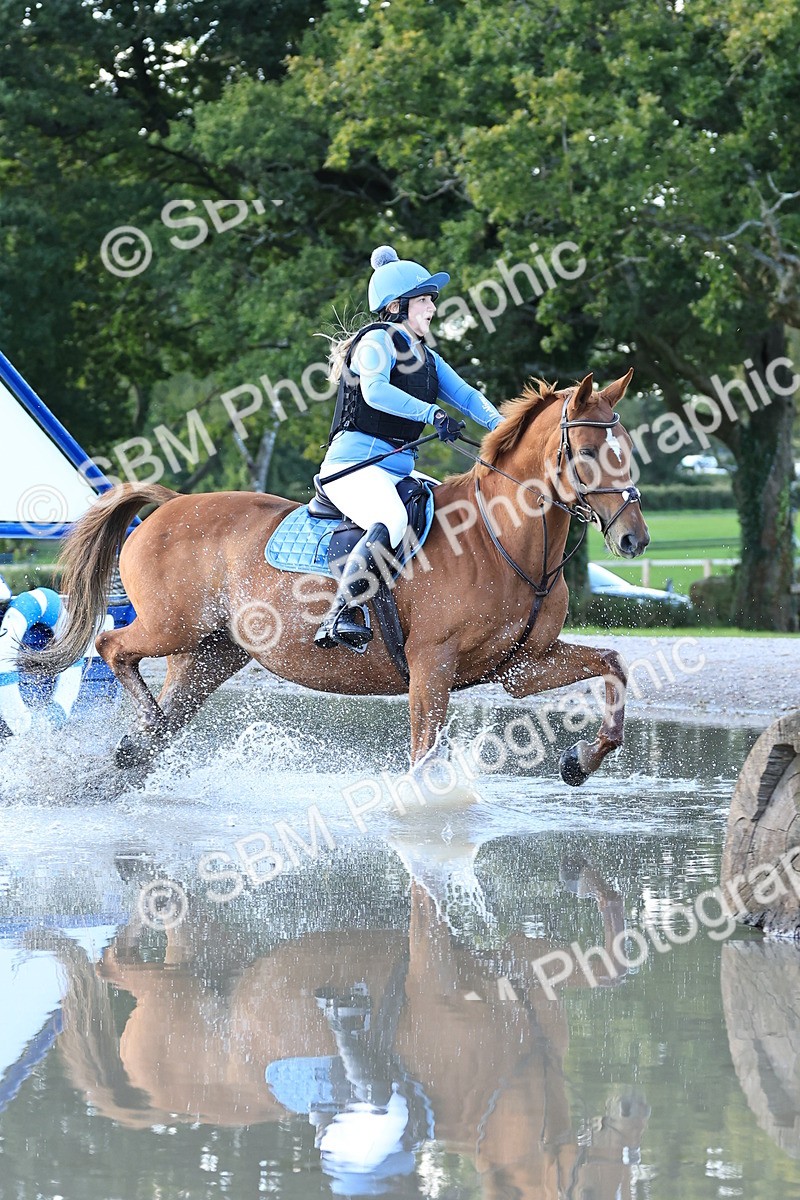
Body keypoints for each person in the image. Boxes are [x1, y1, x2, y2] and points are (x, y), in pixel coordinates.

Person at [315, 245, 504, 650]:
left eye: (432, 301)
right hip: (353, 466)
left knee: (455, 511)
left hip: (396, 468)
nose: (432, 309)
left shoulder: (429, 358)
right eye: (424, 301)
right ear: (398, 306)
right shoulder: (376, 341)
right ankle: (341, 612)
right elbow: (376, 391)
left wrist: (508, 430)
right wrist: (432, 415)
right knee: (393, 519)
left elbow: (468, 397)